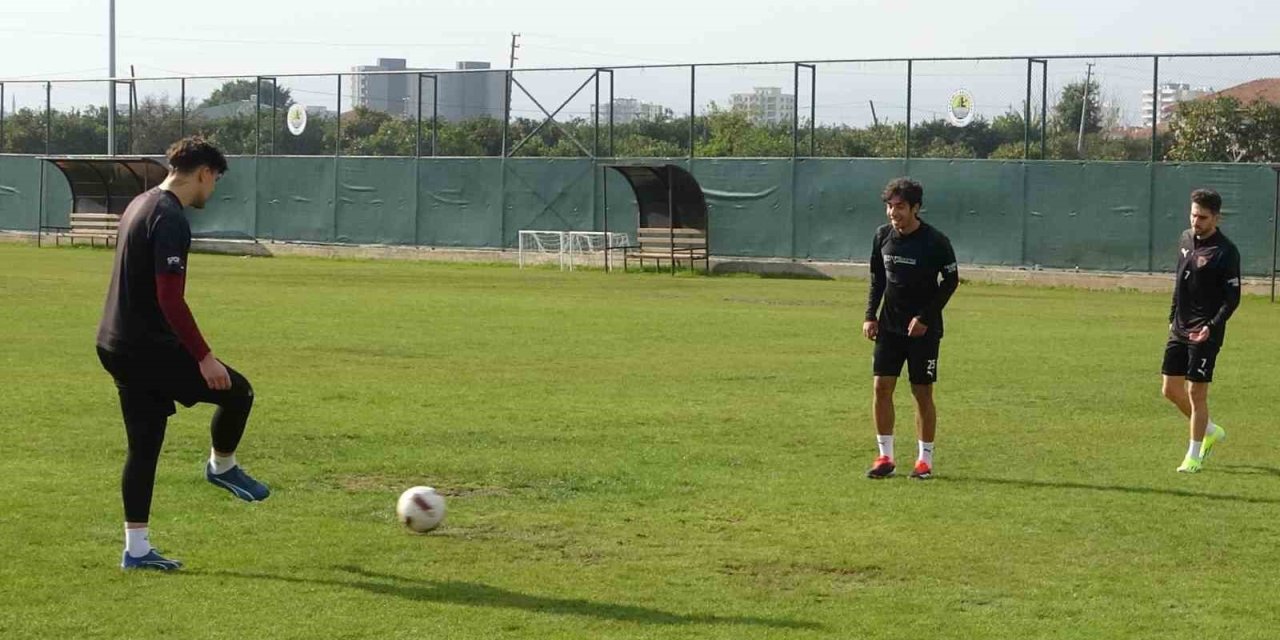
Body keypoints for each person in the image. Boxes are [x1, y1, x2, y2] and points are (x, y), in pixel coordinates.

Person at [96, 136, 269, 571]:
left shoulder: (141, 203)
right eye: (215, 182)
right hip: (147, 348)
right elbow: (170, 299)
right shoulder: (169, 216)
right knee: (237, 392)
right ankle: (222, 467)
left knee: (145, 446)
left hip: (115, 343)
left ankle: (136, 550)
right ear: (204, 173)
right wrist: (204, 357)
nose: (212, 192)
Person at [862, 178, 959, 480]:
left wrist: (925, 318)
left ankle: (924, 461)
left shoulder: (936, 241)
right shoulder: (881, 237)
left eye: (900, 207)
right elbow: (878, 279)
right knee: (881, 387)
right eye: (890, 206)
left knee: (921, 392)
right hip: (889, 327)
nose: (893, 213)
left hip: (923, 332)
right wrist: (870, 315)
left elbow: (951, 281)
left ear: (916, 208)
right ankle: (885, 457)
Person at [1161, 188, 1241, 474]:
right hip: (1180, 327)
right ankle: (1209, 429)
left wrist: (1210, 327)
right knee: (1170, 389)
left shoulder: (1226, 252)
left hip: (1206, 332)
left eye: (1203, 217)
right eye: (1194, 214)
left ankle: (1193, 455)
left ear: (1216, 218)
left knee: (1196, 393)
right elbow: (1179, 281)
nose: (1196, 221)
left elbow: (1232, 299)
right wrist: (1173, 317)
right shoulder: (1184, 239)